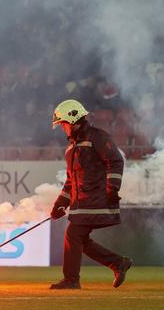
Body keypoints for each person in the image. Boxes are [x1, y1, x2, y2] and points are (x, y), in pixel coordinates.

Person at [49, 99, 132, 289]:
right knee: (79, 239)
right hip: (82, 203)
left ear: (73, 120)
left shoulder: (98, 137)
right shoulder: (71, 148)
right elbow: (71, 181)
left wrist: (112, 189)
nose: (62, 128)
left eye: (62, 124)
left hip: (98, 200)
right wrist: (60, 204)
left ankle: (71, 280)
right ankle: (118, 263)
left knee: (74, 235)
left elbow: (116, 161)